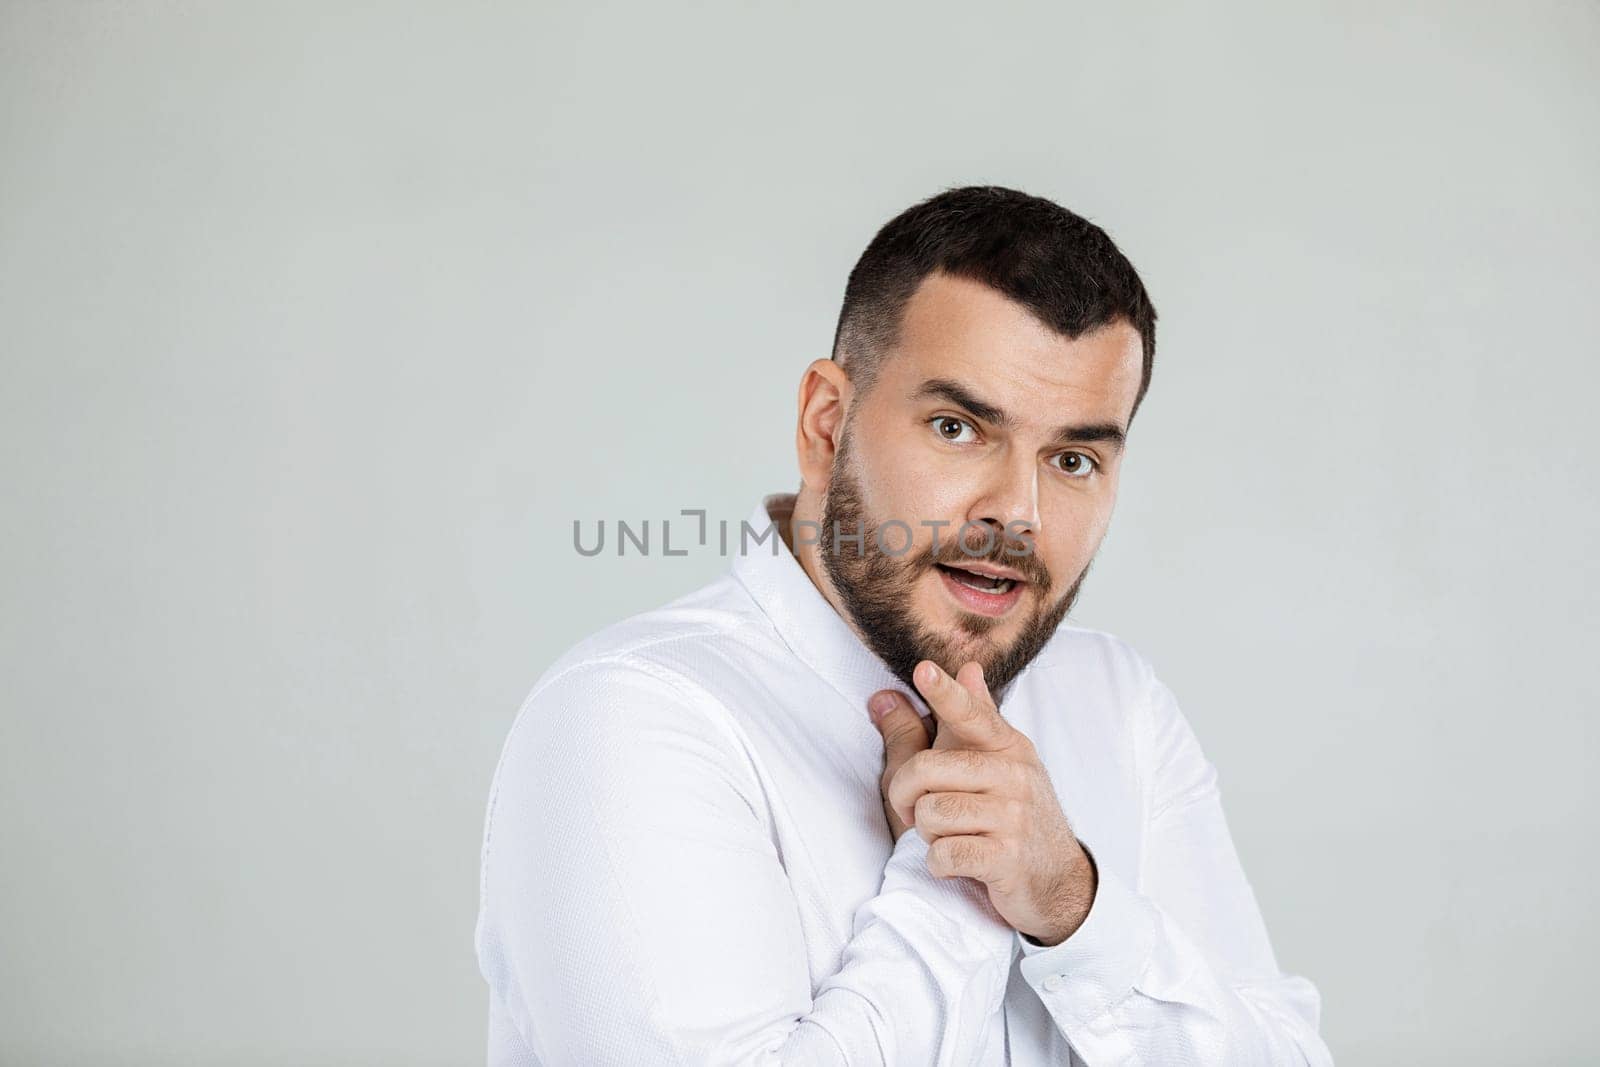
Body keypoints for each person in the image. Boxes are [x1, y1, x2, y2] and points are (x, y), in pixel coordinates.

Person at [475, 185, 1333, 1065]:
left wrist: (1073, 902)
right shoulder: (633, 716)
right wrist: (948, 878)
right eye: (958, 427)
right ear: (825, 424)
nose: (1018, 513)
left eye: (1073, 459)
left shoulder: (1117, 701)